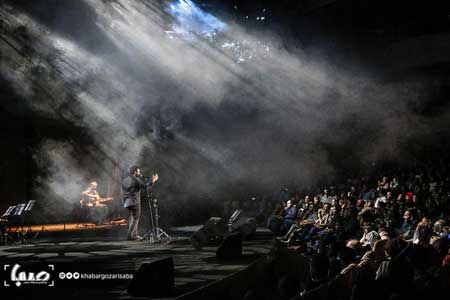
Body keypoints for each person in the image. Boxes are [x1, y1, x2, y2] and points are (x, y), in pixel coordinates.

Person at [122, 165, 159, 240]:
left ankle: (133, 235)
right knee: (136, 218)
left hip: (126, 201)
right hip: (134, 202)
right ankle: (131, 236)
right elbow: (145, 186)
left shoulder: (125, 180)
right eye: (138, 171)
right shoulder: (136, 180)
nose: (139, 173)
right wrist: (153, 181)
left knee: (132, 218)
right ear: (135, 172)